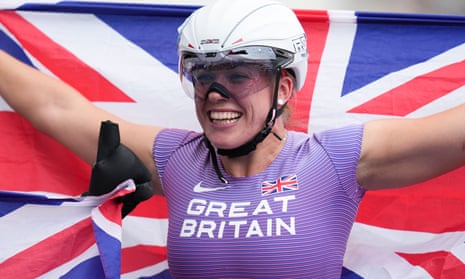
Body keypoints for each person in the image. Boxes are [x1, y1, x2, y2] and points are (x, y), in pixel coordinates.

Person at [1, 0, 465, 278]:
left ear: (283, 87)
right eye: (203, 76)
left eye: (238, 76)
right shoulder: (176, 159)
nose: (215, 94)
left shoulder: (333, 161)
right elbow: (58, 109)